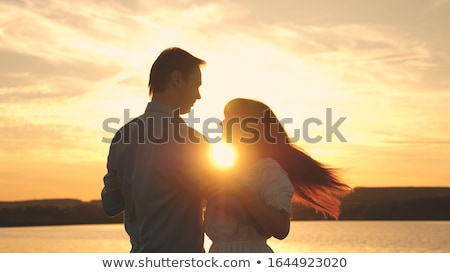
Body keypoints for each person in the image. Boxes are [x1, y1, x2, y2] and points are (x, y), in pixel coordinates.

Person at [101, 47, 216, 253]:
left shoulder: (122, 136)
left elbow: (111, 205)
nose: (198, 95)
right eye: (197, 85)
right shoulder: (192, 139)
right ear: (177, 78)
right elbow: (218, 194)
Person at [203, 98, 353, 252]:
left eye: (229, 118)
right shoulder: (224, 170)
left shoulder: (268, 169)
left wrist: (240, 191)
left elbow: (281, 229)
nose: (221, 124)